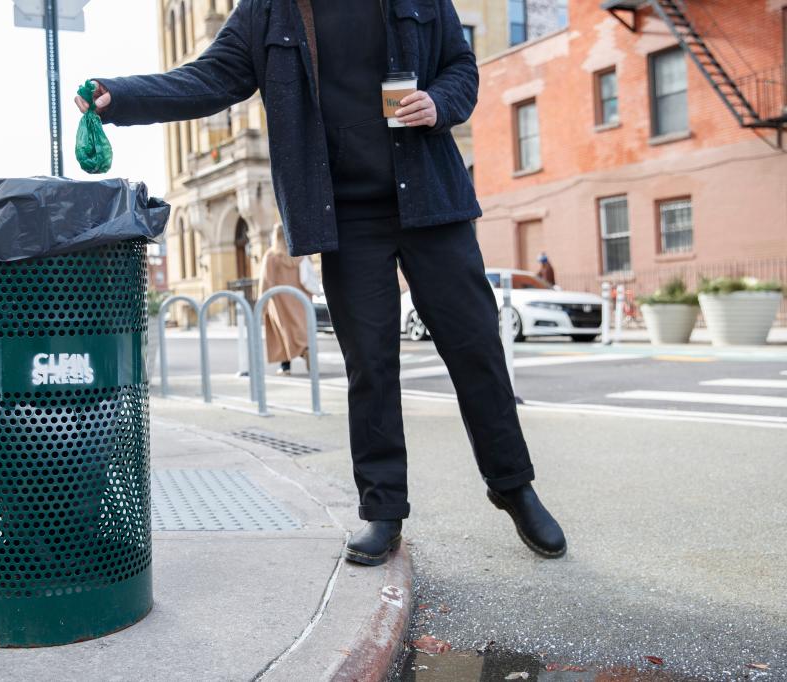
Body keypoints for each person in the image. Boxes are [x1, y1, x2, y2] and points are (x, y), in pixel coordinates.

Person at [77, 0, 566, 566]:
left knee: (476, 346)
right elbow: (211, 78)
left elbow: (462, 66)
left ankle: (511, 484)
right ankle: (383, 511)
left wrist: (440, 103)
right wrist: (122, 96)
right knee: (371, 364)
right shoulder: (271, 10)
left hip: (431, 200)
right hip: (346, 217)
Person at [259, 224, 322, 376]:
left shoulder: (272, 256)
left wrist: (263, 303)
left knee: (281, 332)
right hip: (301, 298)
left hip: (280, 300)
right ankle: (305, 350)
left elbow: (266, 281)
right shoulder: (300, 254)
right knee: (299, 328)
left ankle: (287, 366)